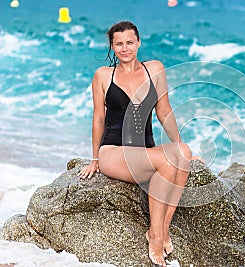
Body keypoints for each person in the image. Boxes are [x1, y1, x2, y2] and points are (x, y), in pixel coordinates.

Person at [78, 21, 196, 267]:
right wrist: (95, 159)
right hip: (113, 151)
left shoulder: (155, 69)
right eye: (118, 43)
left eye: (129, 42)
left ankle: (162, 229)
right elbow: (98, 117)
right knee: (166, 162)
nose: (124, 48)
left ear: (138, 43)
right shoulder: (102, 75)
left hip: (145, 150)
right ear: (112, 45)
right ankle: (154, 235)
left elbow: (164, 111)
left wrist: (178, 144)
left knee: (183, 154)